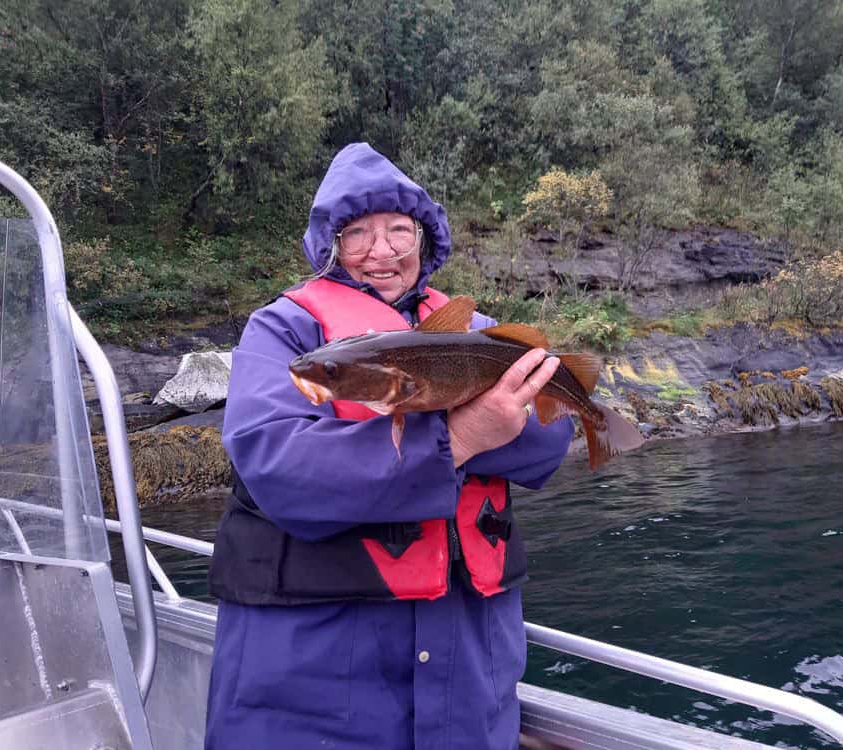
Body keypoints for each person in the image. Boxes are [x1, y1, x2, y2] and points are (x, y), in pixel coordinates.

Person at [205, 142, 574, 749]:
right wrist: (460, 437)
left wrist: (471, 429)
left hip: (469, 680)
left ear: (423, 240)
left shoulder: (476, 332)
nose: (381, 251)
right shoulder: (281, 331)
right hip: (316, 680)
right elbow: (278, 463)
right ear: (331, 246)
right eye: (357, 234)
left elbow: (547, 439)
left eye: (399, 230)